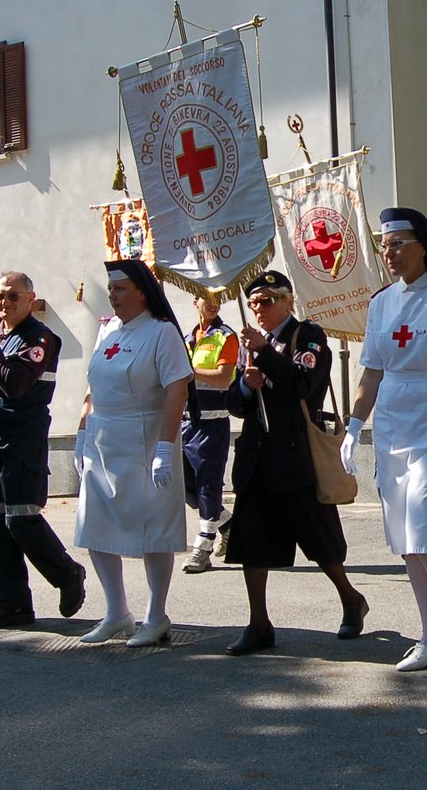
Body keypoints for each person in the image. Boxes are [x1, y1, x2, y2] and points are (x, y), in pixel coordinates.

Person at [343, 208, 427, 670]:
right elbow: (372, 370)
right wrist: (353, 426)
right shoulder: (381, 302)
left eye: (399, 243)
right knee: (406, 537)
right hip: (392, 424)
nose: (391, 252)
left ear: (423, 244)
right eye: (386, 245)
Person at [221, 271, 369, 656]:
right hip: (257, 456)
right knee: (251, 543)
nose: (259, 310)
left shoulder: (307, 336)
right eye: (254, 304)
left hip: (296, 455)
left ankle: (351, 598)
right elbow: (236, 405)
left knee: (319, 540)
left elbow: (304, 384)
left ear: (288, 301)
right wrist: (244, 386)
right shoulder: (250, 343)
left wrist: (266, 355)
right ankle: (258, 624)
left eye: (267, 302)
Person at [72, 259, 192, 647]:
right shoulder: (107, 331)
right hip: (103, 441)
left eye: (121, 289)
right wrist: (81, 433)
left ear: (143, 291)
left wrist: (164, 447)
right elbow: (92, 389)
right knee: (97, 526)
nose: (113, 296)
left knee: (154, 529)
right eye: (111, 290)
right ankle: (116, 613)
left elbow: (177, 390)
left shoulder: (162, 333)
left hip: (145, 440)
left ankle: (155, 615)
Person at [0, 271, 87, 630]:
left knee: (20, 519)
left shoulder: (40, 338)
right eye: (0, 297)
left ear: (30, 299)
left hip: (21, 437)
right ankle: (13, 602)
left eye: (12, 296)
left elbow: (18, 385)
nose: (4, 303)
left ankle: (67, 573)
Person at [180, 294, 239, 573]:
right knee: (183, 485)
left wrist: (190, 371)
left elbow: (224, 377)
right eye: (207, 298)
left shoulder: (226, 336)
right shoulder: (187, 336)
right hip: (184, 422)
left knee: (208, 485)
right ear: (196, 302)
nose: (213, 303)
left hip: (211, 423)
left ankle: (202, 548)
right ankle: (228, 524)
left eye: (218, 299)